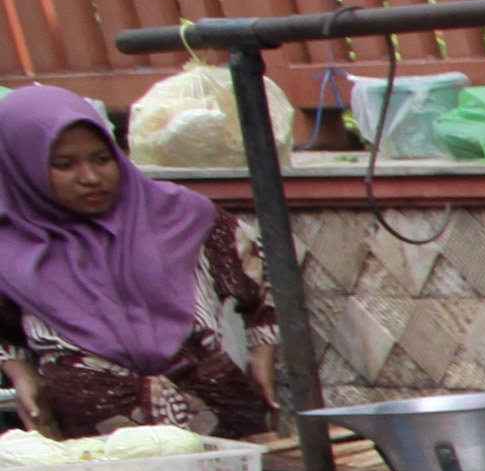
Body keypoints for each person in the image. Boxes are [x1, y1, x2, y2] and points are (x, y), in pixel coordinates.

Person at [0, 81, 278, 441]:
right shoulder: (11, 247)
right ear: (22, 168)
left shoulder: (182, 216)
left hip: (223, 429)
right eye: (64, 165)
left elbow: (265, 281)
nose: (90, 177)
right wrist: (21, 373)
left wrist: (263, 357)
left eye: (102, 158)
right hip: (93, 448)